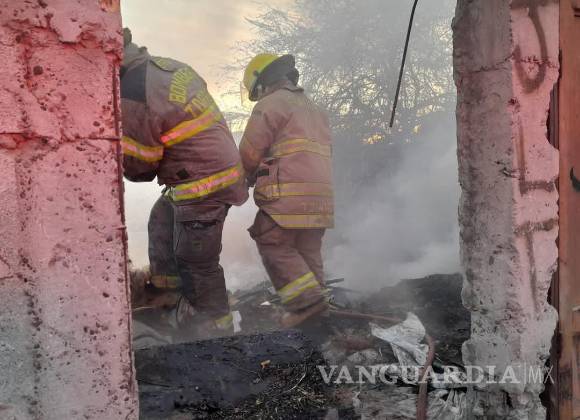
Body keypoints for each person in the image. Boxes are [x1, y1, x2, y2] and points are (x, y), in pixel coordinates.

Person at [120, 29, 248, 337]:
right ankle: (168, 298)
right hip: (211, 171)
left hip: (204, 181)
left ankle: (216, 329)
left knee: (196, 259)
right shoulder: (169, 68)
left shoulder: (134, 89)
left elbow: (141, 167)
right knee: (161, 219)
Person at [239, 53, 334, 327]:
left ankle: (307, 303)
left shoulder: (270, 103)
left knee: (271, 240)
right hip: (320, 197)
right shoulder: (314, 108)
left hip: (288, 193)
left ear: (262, 83)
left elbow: (249, 153)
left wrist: (239, 180)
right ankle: (318, 311)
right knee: (307, 248)